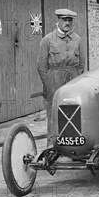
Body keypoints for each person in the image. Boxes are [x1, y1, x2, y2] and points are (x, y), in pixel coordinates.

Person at [37, 8, 85, 146]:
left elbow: (81, 64)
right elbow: (41, 66)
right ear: (57, 21)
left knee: (73, 112)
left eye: (70, 20)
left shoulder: (77, 40)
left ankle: (72, 147)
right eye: (64, 20)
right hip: (54, 80)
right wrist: (49, 83)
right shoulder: (47, 40)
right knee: (54, 115)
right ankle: (51, 148)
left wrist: (77, 80)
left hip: (73, 79)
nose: (67, 23)